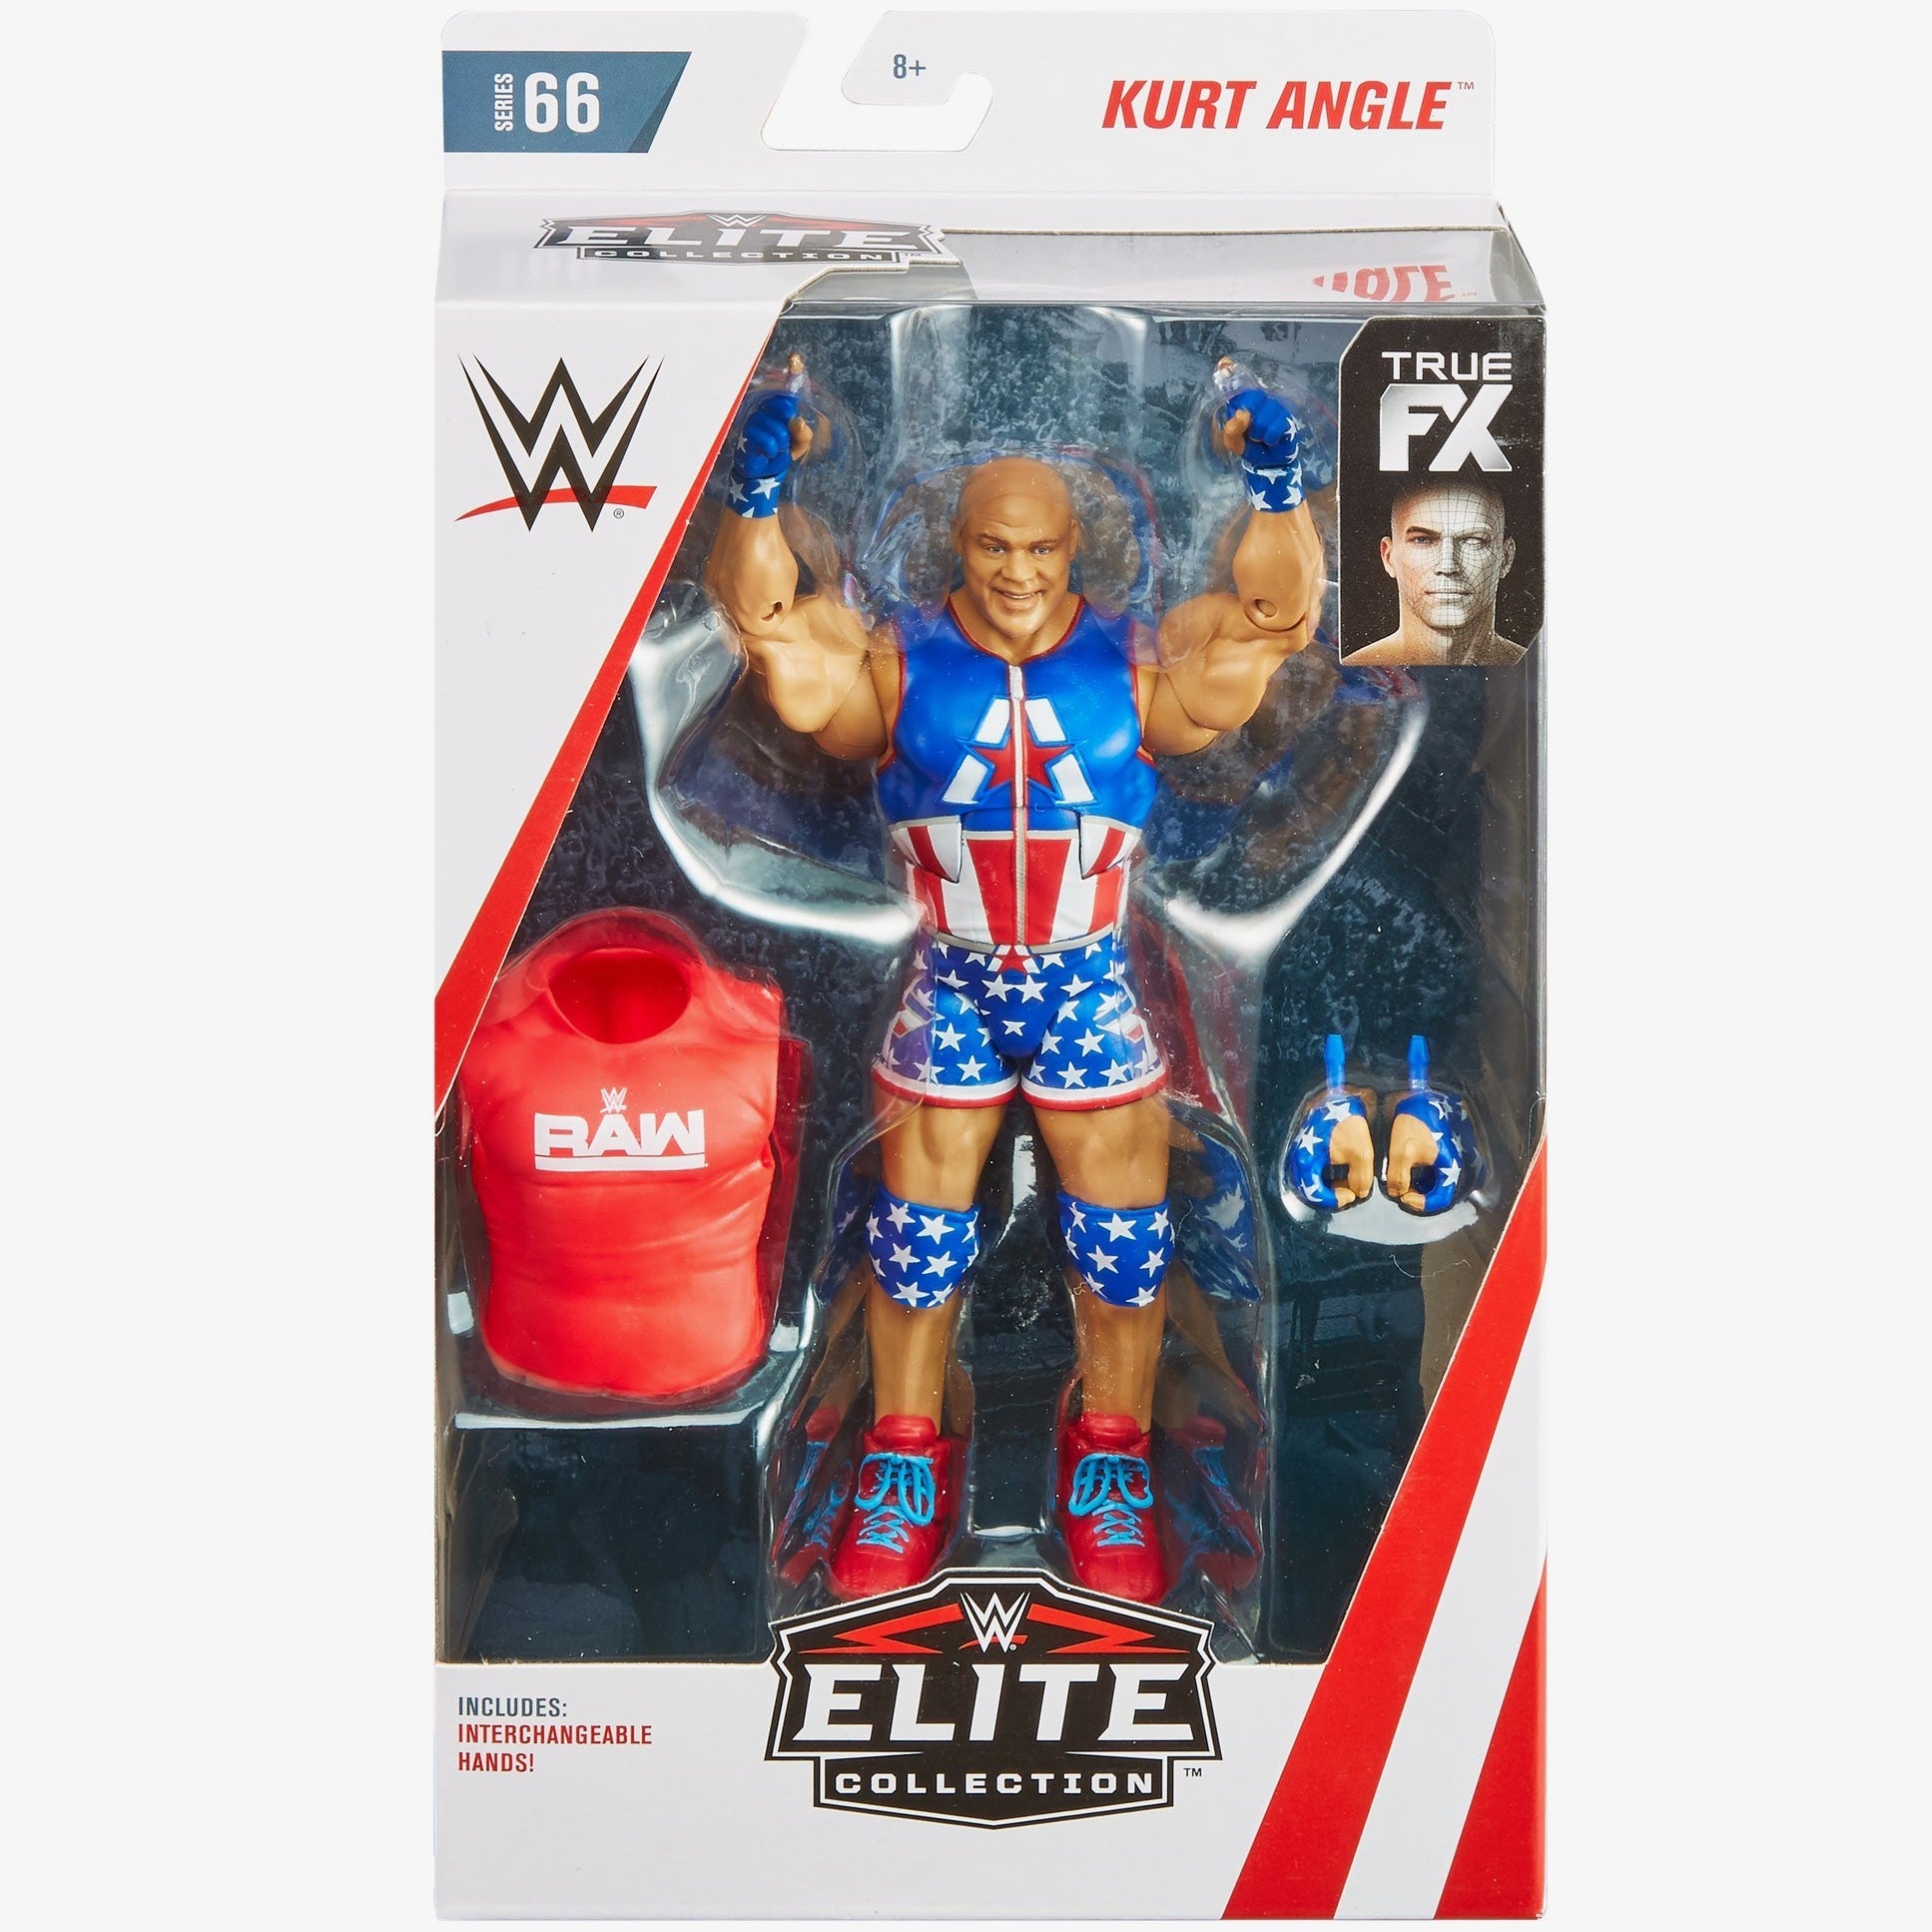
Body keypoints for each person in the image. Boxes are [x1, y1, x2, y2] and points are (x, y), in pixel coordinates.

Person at [705, 375, 1322, 1604]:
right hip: (955, 977)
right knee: (913, 1248)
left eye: (1040, 547)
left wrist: (1276, 486)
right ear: (961, 545)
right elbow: (766, 622)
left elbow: (1274, 617)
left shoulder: (1139, 659)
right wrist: (759, 493)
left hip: (1089, 981)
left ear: (1075, 546)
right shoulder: (896, 658)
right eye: (995, 545)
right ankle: (902, 1461)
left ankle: (1113, 1462)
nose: (1019, 570)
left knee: (1126, 1253)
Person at [1344, 477, 1524, 667]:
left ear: (1506, 558)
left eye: (1474, 540)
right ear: (1388, 557)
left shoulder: (1531, 667)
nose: (1447, 566)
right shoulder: (1352, 669)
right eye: (1422, 540)